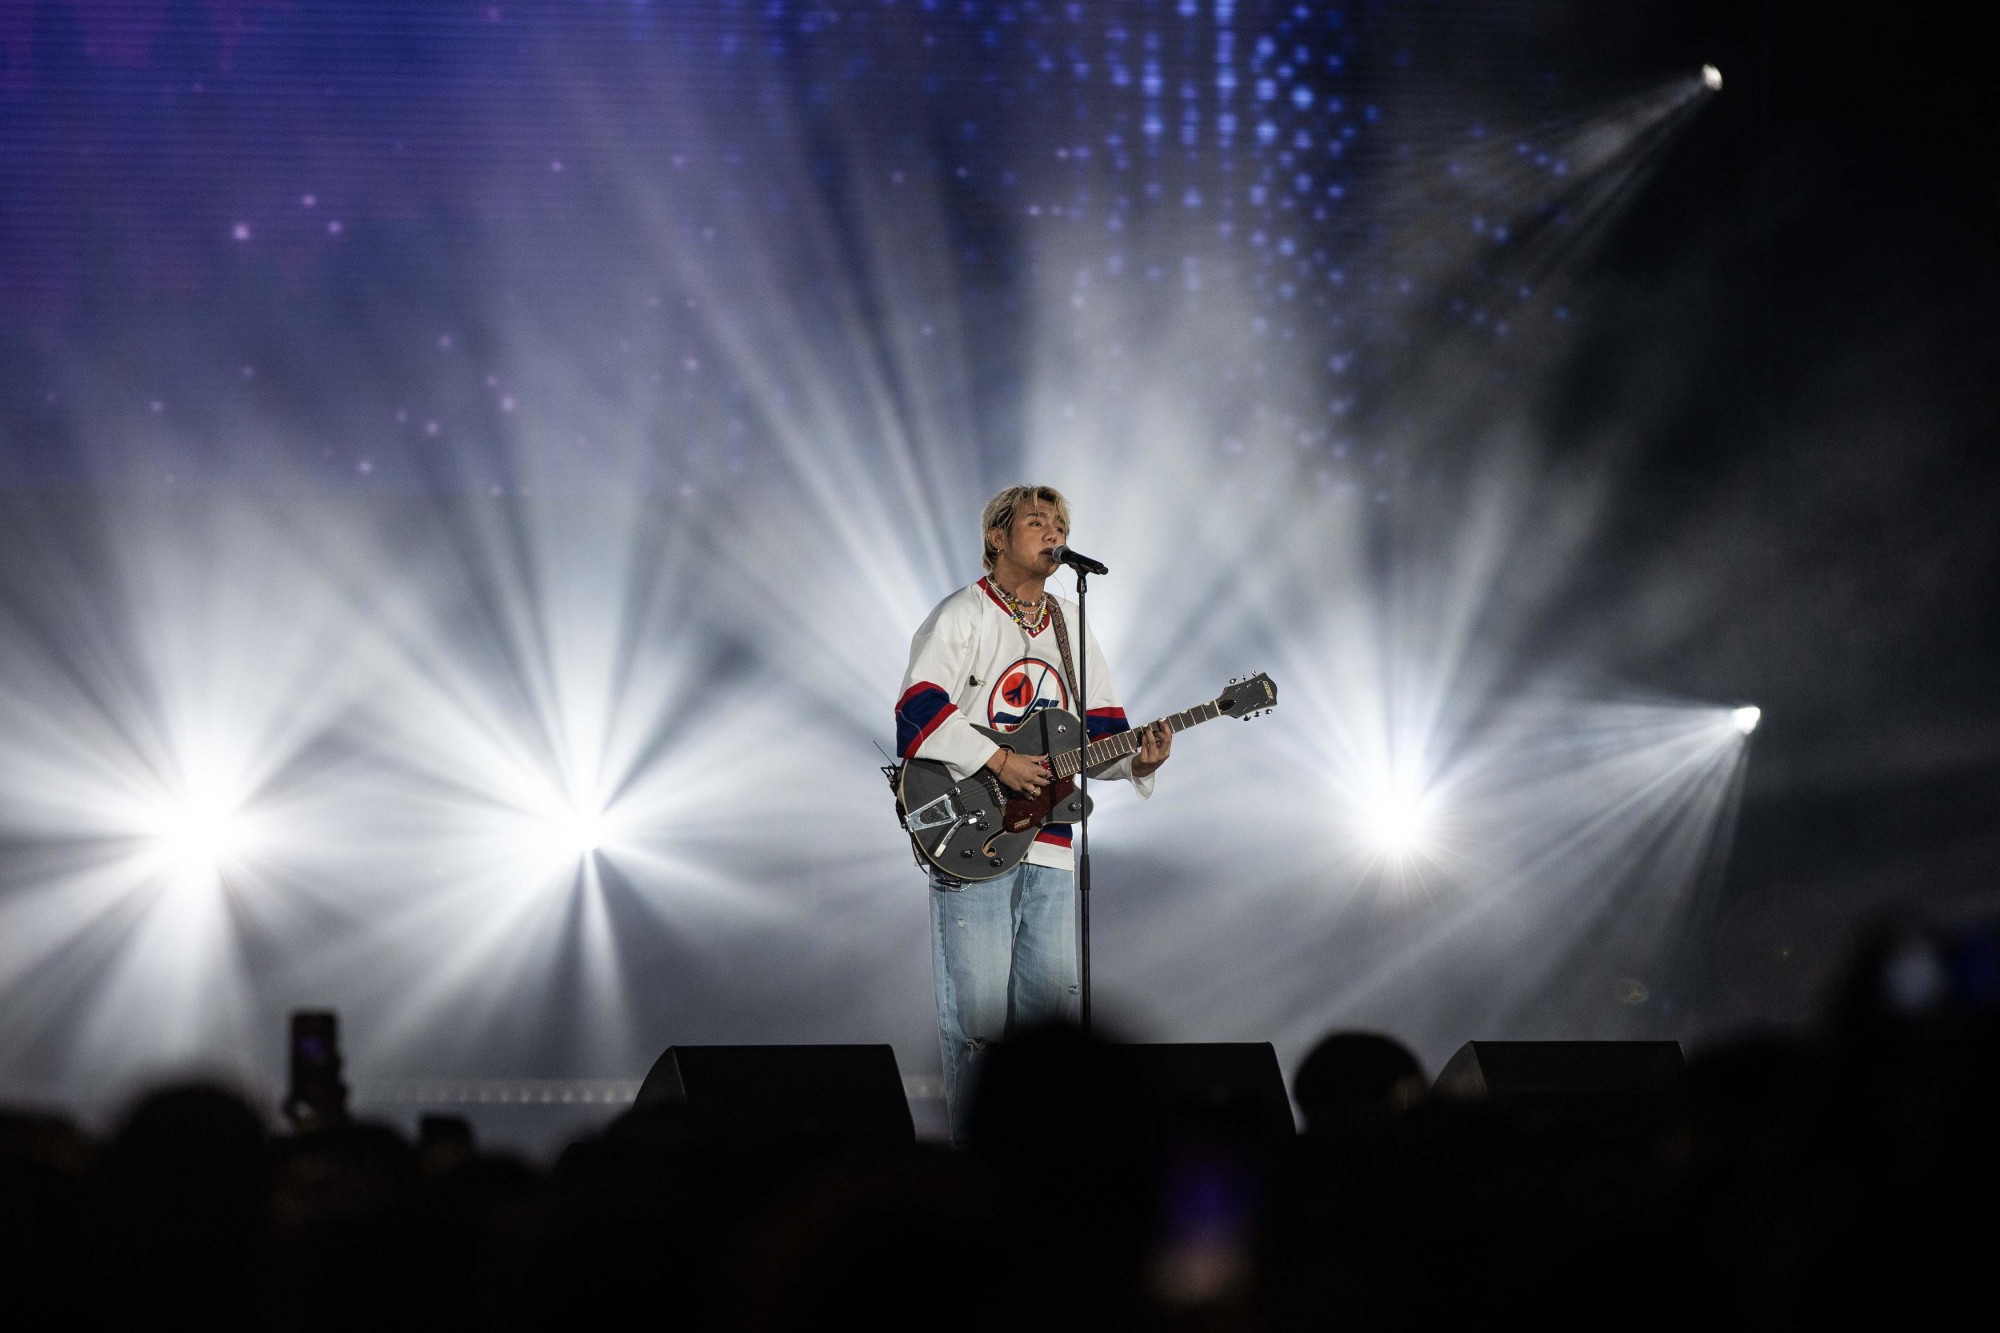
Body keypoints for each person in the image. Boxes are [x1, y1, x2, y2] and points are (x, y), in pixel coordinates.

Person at [894, 485, 1171, 1141]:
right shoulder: (962, 614)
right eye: (1037, 521)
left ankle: (1047, 1179)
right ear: (996, 536)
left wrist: (1140, 760)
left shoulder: (1072, 628)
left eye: (1061, 524)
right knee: (980, 1027)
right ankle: (973, 1178)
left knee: (1052, 1032)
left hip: (1049, 845)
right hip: (975, 832)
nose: (1053, 531)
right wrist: (998, 761)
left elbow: (1100, 732)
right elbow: (916, 710)